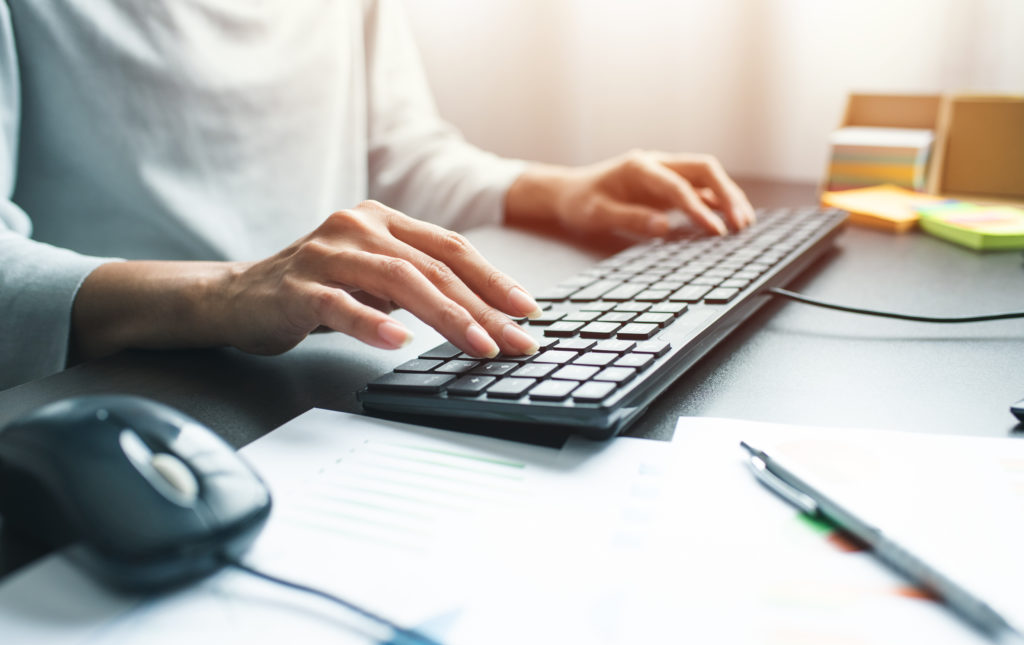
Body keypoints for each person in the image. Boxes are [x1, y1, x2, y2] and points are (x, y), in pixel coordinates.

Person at [0, 0, 754, 391]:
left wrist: (559, 192)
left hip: (333, 370)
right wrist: (227, 291)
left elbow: (399, 158)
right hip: (123, 387)